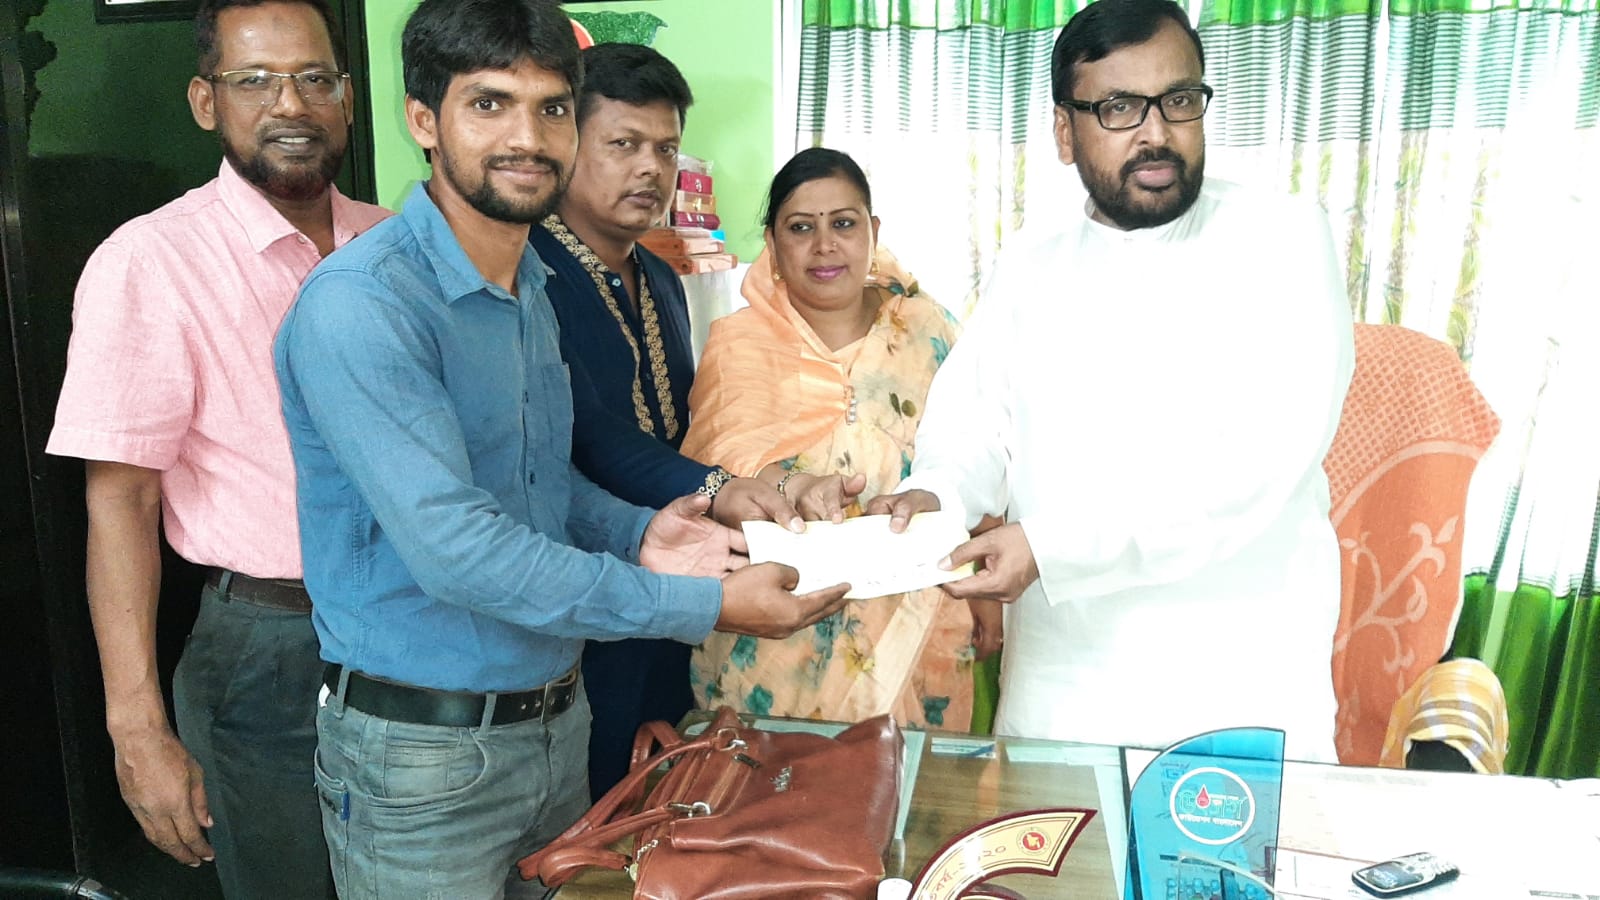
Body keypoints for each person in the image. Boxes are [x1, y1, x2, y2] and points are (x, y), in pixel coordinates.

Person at [271, 2, 850, 896]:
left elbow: (540, 480)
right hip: (424, 758)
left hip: (555, 727)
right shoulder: (365, 304)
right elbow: (460, 551)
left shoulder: (528, 283)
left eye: (550, 109)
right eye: (488, 104)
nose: (527, 138)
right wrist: (697, 603)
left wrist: (641, 531)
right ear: (422, 120)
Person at [870, 0, 1355, 762]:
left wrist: (1048, 548)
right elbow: (975, 421)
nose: (1156, 132)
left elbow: (1254, 468)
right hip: (1065, 686)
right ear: (1065, 132)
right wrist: (938, 495)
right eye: (1120, 108)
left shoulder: (1283, 239)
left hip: (1243, 685)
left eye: (1178, 100)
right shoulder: (1031, 262)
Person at [45, 2, 387, 896]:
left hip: (415, 628)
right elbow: (122, 500)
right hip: (270, 654)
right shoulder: (150, 261)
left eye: (314, 78)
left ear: (348, 98)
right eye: (255, 80)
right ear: (207, 102)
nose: (291, 103)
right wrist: (136, 729)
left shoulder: (396, 242)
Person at [529, 42, 801, 798]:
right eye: (624, 144)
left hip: (680, 580)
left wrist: (754, 482)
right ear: (566, 142)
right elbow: (588, 433)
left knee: (670, 788)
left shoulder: (657, 272)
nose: (651, 168)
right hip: (588, 589)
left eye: (666, 148)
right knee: (595, 802)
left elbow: (679, 422)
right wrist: (718, 487)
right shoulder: (530, 272)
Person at [680, 147, 979, 730]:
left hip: (915, 617)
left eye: (843, 223)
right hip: (776, 627)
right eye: (801, 228)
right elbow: (710, 475)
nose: (824, 246)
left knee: (910, 779)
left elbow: (975, 453)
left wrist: (987, 593)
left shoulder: (930, 329)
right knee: (772, 783)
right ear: (773, 243)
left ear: (873, 232)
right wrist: (788, 485)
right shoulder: (739, 342)